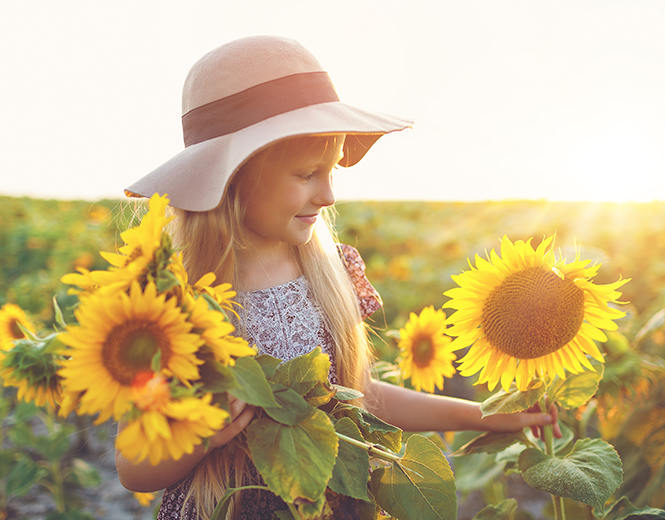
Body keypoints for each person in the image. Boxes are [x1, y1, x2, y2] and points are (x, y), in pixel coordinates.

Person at [115, 35, 562, 519]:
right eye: (307, 174)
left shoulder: (327, 271)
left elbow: (357, 395)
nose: (328, 194)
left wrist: (481, 415)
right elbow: (133, 469)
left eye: (332, 173)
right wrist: (200, 436)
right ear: (233, 175)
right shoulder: (170, 303)